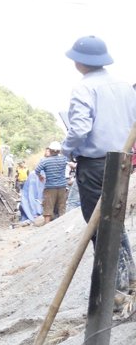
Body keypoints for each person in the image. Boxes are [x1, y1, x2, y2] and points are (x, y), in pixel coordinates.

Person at [62, 35, 136, 293]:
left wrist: (66, 147)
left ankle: (112, 288)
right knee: (113, 220)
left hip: (95, 165)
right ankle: (127, 278)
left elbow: (80, 128)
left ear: (80, 62)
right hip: (122, 161)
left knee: (100, 226)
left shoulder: (84, 88)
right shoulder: (125, 86)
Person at [35, 141, 68, 224]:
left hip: (50, 187)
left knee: (48, 207)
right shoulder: (63, 159)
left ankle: (47, 226)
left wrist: (40, 176)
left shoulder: (45, 161)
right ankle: (62, 225)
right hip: (62, 186)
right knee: (61, 207)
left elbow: (37, 170)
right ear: (59, 151)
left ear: (50, 150)